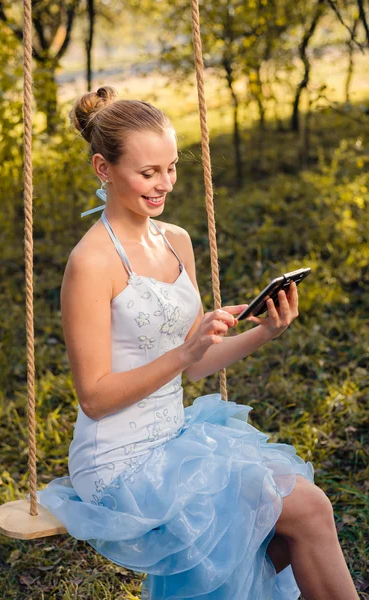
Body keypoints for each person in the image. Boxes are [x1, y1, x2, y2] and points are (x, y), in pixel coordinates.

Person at [36, 86, 359, 600]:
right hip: (119, 462)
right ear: (103, 168)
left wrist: (263, 331)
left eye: (170, 167)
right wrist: (185, 351)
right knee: (308, 508)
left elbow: (196, 367)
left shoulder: (176, 239)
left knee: (278, 539)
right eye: (148, 173)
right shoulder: (91, 262)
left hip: (176, 438)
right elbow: (95, 398)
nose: (164, 184)